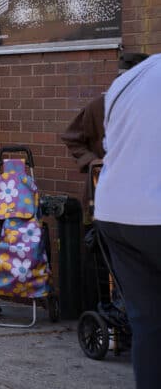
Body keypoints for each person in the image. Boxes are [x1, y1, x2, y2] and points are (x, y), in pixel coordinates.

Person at [94, 54, 161, 388]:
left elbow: (112, 144)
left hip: (115, 212)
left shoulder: (128, 80)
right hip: (154, 210)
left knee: (149, 324)